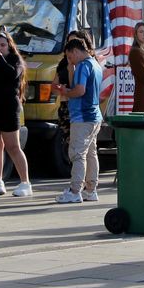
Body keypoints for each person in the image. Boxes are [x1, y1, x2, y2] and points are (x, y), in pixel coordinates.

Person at [0, 31, 33, 197]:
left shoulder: (15, 60)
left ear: (9, 45)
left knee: (13, 146)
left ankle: (25, 182)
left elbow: (11, 75)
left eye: (2, 45)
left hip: (9, 108)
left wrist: (0, 59)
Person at [52, 38, 103, 203]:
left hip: (81, 116)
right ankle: (91, 189)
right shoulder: (95, 64)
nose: (70, 60)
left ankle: (75, 190)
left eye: (70, 56)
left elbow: (79, 90)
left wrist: (65, 91)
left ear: (75, 51)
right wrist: (70, 70)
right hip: (94, 116)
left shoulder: (83, 66)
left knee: (77, 154)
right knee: (90, 154)